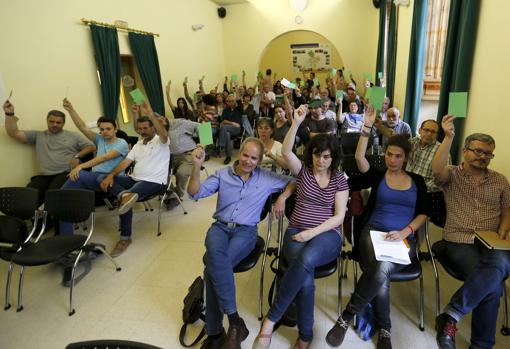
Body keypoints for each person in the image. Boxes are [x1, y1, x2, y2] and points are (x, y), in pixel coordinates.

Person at [326, 105, 429, 349]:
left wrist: (406, 232)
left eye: (397, 156)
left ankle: (347, 317)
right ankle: (384, 330)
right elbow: (360, 158)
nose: (391, 160)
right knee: (381, 267)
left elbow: (424, 213)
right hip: (372, 233)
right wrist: (367, 127)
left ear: (406, 158)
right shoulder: (378, 175)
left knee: (381, 269)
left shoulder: (418, 182)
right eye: (389, 154)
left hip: (403, 238)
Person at [253, 105, 349, 349]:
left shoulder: (339, 178)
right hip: (296, 230)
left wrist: (312, 233)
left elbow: (339, 217)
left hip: (327, 234)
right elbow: (285, 150)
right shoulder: (303, 171)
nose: (321, 160)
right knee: (305, 278)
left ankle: (270, 321)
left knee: (304, 261)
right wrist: (295, 123)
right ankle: (306, 335)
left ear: (333, 157)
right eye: (317, 155)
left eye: (326, 156)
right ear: (311, 154)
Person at [188, 138, 293, 349]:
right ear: (239, 153)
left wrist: (282, 198)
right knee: (214, 266)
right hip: (219, 227)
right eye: (245, 155)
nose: (248, 161)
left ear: (260, 159)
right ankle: (235, 323)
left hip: (246, 232)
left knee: (214, 267)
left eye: (254, 158)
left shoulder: (266, 177)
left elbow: (296, 180)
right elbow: (194, 192)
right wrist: (196, 168)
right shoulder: (223, 174)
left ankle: (216, 333)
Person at [431, 115, 510, 349]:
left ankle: (450, 317)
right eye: (478, 151)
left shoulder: (500, 180)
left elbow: (507, 209)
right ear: (465, 151)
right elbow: (436, 170)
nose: (483, 156)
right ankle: (480, 344)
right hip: (459, 240)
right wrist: (448, 137)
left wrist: (504, 231)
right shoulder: (452, 175)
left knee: (497, 267)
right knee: (493, 286)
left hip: (493, 242)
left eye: (488, 153)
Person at [98, 102, 170, 257]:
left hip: (154, 182)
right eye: (140, 128)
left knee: (129, 195)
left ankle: (125, 239)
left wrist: (150, 113)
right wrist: (111, 175)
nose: (142, 131)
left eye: (146, 128)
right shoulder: (137, 144)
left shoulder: (161, 141)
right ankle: (124, 196)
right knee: (103, 176)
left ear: (153, 128)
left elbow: (163, 134)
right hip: (134, 179)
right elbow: (124, 163)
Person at [3, 100, 95, 206]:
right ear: (47, 121)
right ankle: (34, 220)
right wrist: (9, 114)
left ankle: (52, 220)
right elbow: (13, 133)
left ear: (63, 123)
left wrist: (77, 155)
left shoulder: (73, 136)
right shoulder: (38, 135)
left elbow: (91, 147)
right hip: (44, 176)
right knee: (27, 198)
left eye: (58, 122)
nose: (55, 125)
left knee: (52, 197)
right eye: (52, 122)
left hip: (64, 173)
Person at [59, 99, 129, 234]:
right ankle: (65, 235)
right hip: (93, 179)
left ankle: (58, 202)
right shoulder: (99, 139)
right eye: (101, 129)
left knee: (79, 175)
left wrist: (80, 167)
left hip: (111, 180)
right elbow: (82, 127)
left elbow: (104, 158)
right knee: (65, 199)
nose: (104, 132)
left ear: (116, 129)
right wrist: (70, 110)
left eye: (108, 129)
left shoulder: (122, 143)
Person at [132, 105, 198, 210]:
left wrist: (203, 146)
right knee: (158, 173)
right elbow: (138, 129)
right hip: (166, 158)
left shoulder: (180, 123)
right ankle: (171, 194)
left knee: (182, 172)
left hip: (187, 155)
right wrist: (135, 113)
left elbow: (204, 127)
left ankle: (177, 195)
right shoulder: (153, 130)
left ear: (162, 118)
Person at [405, 119, 446, 192]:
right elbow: (395, 140)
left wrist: (419, 188)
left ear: (437, 134)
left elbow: (442, 180)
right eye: (426, 130)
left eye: (433, 132)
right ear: (420, 130)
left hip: (425, 192)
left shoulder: (442, 151)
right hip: (406, 185)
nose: (429, 134)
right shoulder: (413, 142)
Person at [218, 95, 243, 165]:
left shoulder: (239, 109)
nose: (231, 103)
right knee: (227, 134)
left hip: (236, 129)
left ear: (235, 101)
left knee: (224, 128)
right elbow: (223, 120)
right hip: (226, 129)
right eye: (229, 101)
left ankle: (221, 145)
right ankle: (228, 156)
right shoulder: (226, 110)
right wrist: (232, 123)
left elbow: (239, 102)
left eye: (232, 101)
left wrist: (236, 99)